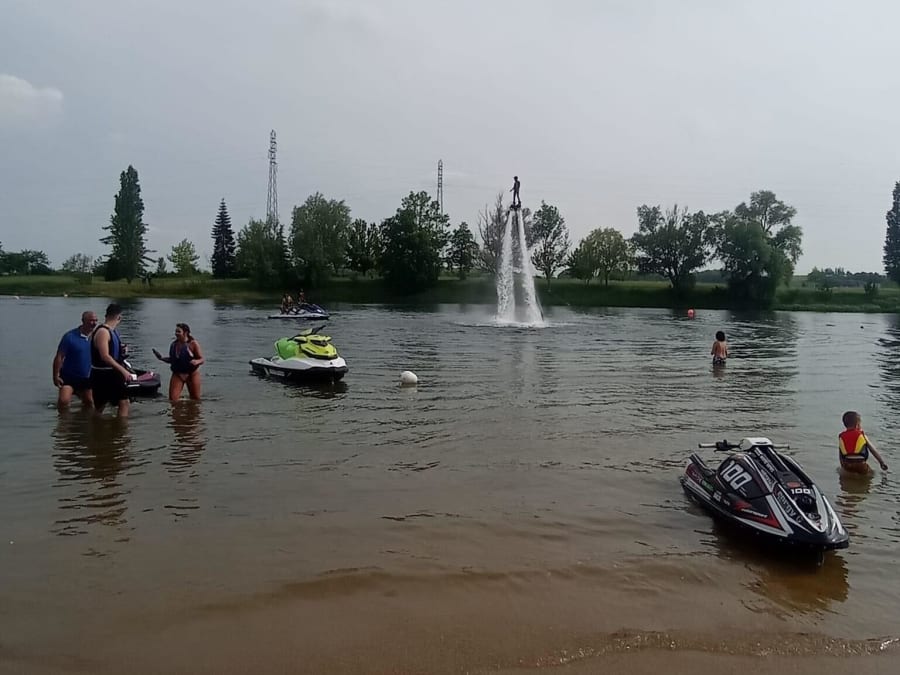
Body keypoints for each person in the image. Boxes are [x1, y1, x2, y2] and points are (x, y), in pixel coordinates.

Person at [90, 303, 132, 417]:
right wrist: (123, 371)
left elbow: (111, 350)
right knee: (102, 406)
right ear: (119, 317)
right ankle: (121, 431)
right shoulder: (103, 332)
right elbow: (105, 356)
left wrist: (121, 349)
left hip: (112, 372)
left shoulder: (112, 331)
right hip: (103, 373)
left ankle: (111, 430)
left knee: (123, 402)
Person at [52, 311, 98, 410]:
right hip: (69, 376)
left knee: (89, 403)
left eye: (95, 321)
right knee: (63, 401)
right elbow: (59, 356)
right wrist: (55, 376)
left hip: (86, 377)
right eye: (91, 321)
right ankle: (64, 423)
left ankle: (84, 422)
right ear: (83, 321)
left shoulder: (97, 337)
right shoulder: (70, 337)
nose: (94, 323)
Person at [152, 323, 204, 401]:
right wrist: (161, 358)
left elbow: (202, 359)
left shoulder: (193, 344)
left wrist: (197, 361)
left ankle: (193, 412)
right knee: (173, 400)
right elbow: (172, 360)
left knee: (195, 399)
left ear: (185, 333)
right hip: (178, 374)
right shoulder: (174, 344)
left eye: (179, 332)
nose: (176, 333)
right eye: (176, 331)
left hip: (191, 374)